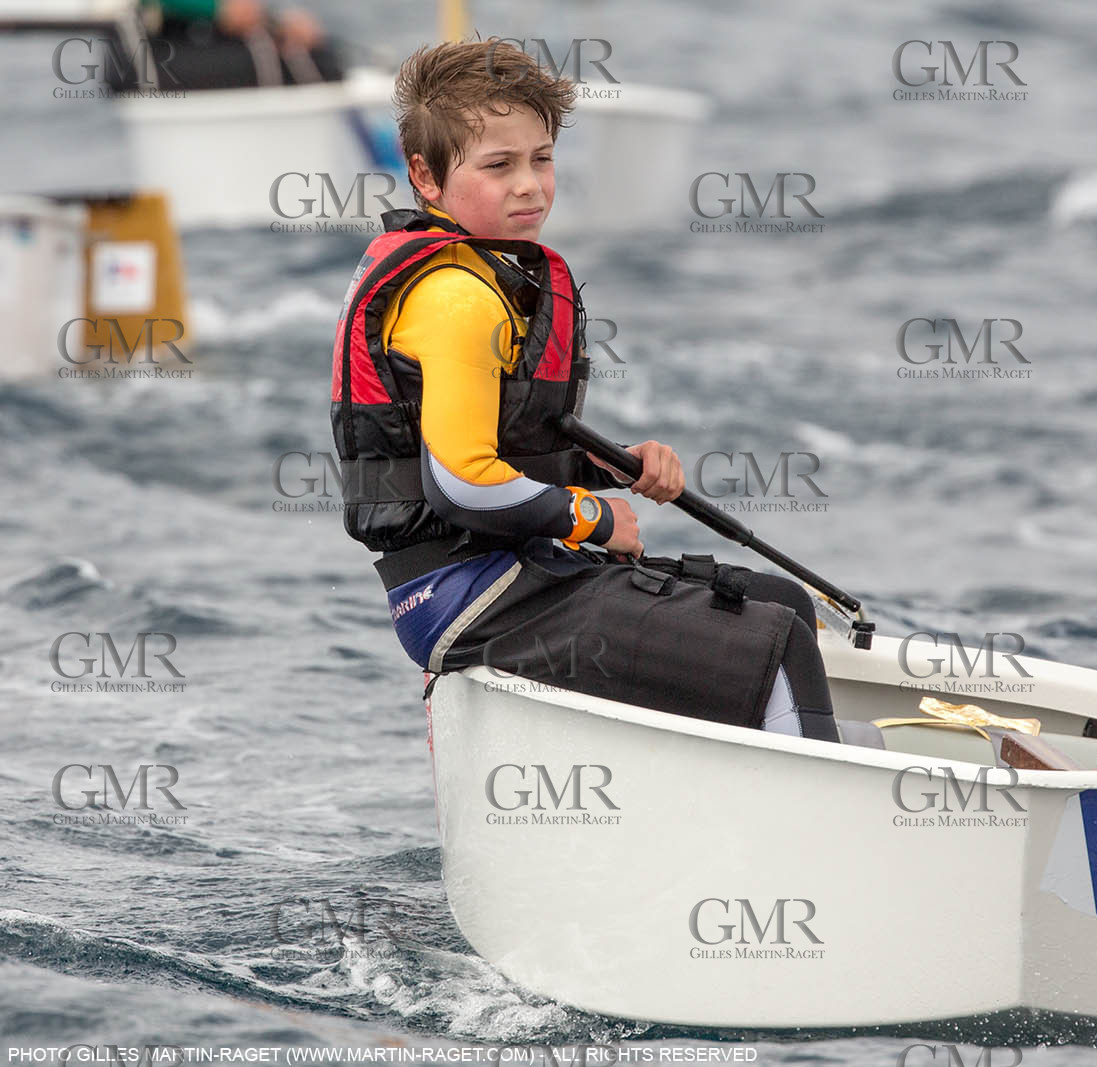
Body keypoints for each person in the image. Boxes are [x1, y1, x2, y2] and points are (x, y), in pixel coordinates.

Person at [329, 40, 840, 742]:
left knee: (778, 598)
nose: (530, 185)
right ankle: (816, 813)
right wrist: (590, 517)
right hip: (467, 597)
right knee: (775, 636)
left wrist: (613, 467)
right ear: (424, 176)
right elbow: (461, 485)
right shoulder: (455, 299)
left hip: (510, 571)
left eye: (542, 159)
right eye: (498, 165)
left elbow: (500, 449)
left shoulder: (485, 279)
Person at [141, 0, 342, 90]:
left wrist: (280, 16)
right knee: (319, 63)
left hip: (185, 41)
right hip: (153, 56)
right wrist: (216, 8)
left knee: (319, 54)